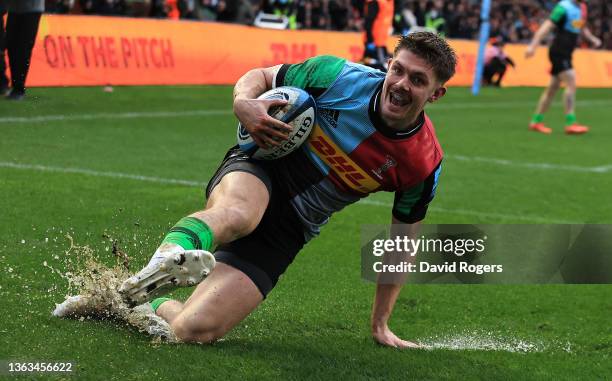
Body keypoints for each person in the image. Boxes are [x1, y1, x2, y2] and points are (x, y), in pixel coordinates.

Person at [55, 31, 457, 349]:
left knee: (193, 331)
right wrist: (243, 102)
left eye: (418, 80)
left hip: (293, 226)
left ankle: (132, 299)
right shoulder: (336, 76)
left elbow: (401, 241)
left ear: (436, 94)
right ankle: (162, 262)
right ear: (388, 65)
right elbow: (264, 76)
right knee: (238, 214)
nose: (402, 84)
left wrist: (381, 324)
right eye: (399, 70)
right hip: (261, 167)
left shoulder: (422, 163)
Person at [525, 0, 601, 135]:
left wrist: (592, 39)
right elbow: (547, 26)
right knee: (571, 81)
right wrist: (533, 46)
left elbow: (581, 26)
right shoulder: (563, 7)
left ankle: (536, 121)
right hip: (559, 51)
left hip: (567, 52)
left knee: (552, 89)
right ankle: (571, 123)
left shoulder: (582, 8)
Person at [3, 0, 44, 100]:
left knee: (23, 48)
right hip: (14, 9)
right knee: (11, 47)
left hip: (32, 9)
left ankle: (19, 88)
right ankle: (15, 86)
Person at [361, 0, 394, 71]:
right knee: (377, 65)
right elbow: (368, 21)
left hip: (381, 41)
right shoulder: (376, 2)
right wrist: (370, 40)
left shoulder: (388, 2)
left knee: (371, 63)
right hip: (374, 40)